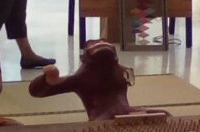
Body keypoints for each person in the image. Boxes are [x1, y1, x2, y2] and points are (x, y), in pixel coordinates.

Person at [28, 39, 166, 122]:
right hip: (101, 119)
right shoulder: (81, 78)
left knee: (165, 116)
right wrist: (48, 80)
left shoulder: (121, 71)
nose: (100, 43)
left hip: (128, 113)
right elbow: (35, 91)